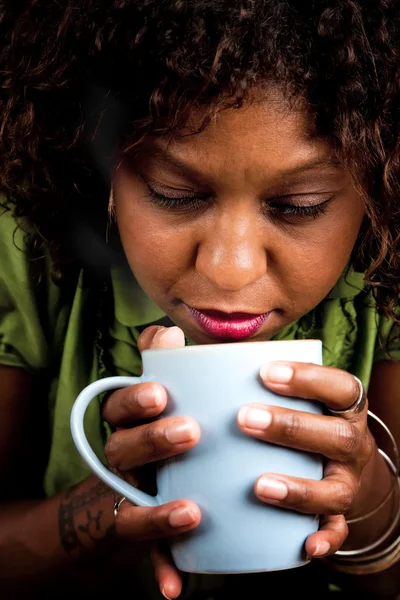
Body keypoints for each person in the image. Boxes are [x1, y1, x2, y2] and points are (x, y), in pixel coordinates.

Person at [0, 0, 400, 598]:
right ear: (104, 161)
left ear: (376, 185)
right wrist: (121, 501)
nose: (231, 270)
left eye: (300, 205)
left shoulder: (386, 279)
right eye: (175, 193)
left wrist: (363, 487)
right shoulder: (27, 249)